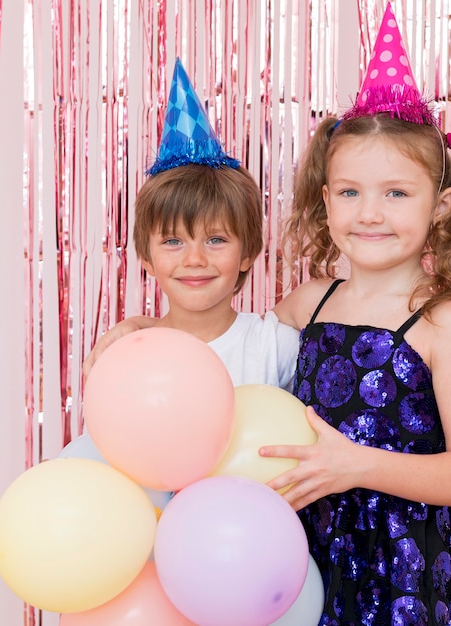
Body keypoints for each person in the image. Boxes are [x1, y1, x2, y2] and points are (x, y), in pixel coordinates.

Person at [257, 4, 451, 624]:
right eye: (350, 193)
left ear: (442, 204)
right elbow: (225, 358)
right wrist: (145, 331)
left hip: (404, 573)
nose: (369, 213)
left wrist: (356, 465)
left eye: (396, 193)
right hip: (303, 558)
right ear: (326, 199)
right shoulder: (304, 305)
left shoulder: (446, 323)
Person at [82, 58, 299, 390]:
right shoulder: (128, 354)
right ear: (146, 257)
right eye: (173, 242)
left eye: (215, 240)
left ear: (248, 252)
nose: (195, 260)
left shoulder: (276, 347)